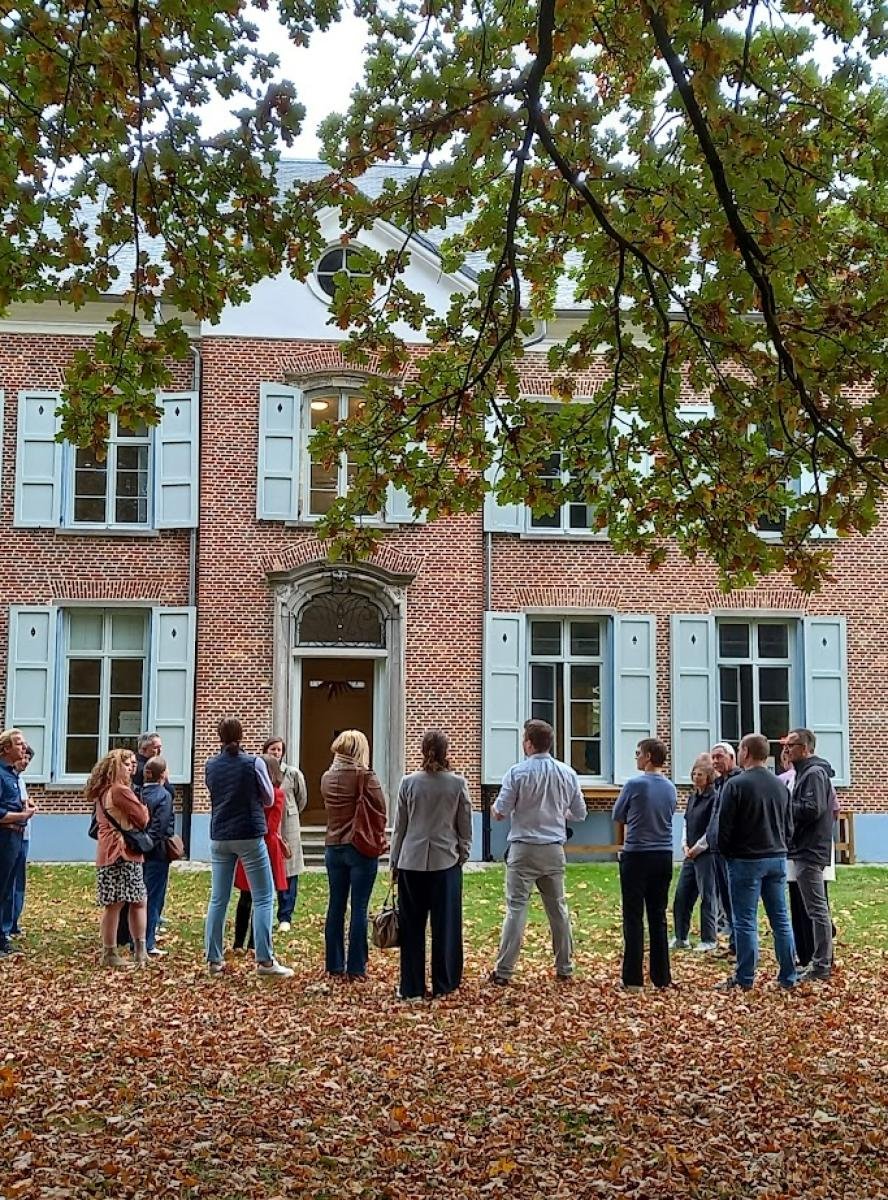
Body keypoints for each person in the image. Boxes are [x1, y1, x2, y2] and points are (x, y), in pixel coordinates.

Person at [489, 719, 587, 986]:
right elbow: (580, 813)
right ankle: (564, 966)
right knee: (558, 909)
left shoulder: (517, 773)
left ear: (529, 743)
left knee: (516, 908)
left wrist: (496, 811)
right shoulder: (567, 773)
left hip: (523, 847)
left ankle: (504, 970)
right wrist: (559, 814)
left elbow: (501, 810)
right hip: (553, 848)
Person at [204, 717, 293, 978]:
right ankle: (265, 960)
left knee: (218, 898)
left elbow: (214, 792)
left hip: (220, 833)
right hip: (249, 833)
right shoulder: (253, 763)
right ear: (241, 736)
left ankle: (214, 959)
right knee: (264, 896)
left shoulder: (211, 764)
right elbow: (268, 797)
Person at [390, 730, 472, 1001]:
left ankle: (411, 986)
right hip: (445, 861)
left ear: (422, 750)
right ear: (446, 751)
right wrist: (462, 854)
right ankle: (444, 984)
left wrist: (394, 861)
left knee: (412, 927)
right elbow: (465, 826)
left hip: (411, 861)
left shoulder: (408, 783)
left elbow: (400, 827)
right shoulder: (457, 784)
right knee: (445, 926)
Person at [715, 733, 797, 991]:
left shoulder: (736, 785)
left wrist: (726, 852)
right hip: (776, 856)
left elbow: (724, 827)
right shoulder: (780, 786)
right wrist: (781, 845)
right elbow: (789, 825)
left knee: (745, 920)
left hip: (745, 859)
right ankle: (788, 976)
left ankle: (745, 977)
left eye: (740, 749)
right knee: (781, 919)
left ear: (746, 752)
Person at [321, 729, 387, 980]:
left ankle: (334, 964)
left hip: (333, 845)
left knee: (336, 904)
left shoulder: (327, 777)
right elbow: (381, 808)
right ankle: (356, 966)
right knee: (359, 906)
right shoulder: (365, 777)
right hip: (360, 846)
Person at [612, 738, 678, 992]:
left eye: (638, 753)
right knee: (658, 916)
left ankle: (632, 979)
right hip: (663, 853)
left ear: (649, 756)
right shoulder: (670, 787)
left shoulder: (635, 784)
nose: (636, 757)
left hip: (637, 853)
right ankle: (661, 977)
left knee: (633, 916)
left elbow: (618, 814)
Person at [89, 748, 151, 968]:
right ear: (116, 766)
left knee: (118, 903)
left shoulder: (103, 791)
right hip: (121, 852)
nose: (132, 767)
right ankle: (129, 952)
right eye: (127, 763)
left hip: (109, 852)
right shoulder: (120, 791)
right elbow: (142, 818)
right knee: (132, 902)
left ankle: (117, 951)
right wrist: (144, 809)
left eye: (134, 763)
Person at [783, 729, 836, 982]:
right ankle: (819, 960)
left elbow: (813, 809)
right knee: (814, 908)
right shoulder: (806, 772)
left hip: (810, 849)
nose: (786, 749)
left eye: (791, 745)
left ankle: (821, 964)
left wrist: (785, 804)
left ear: (805, 748)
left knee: (816, 910)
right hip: (805, 847)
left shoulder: (813, 773)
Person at [232, 754, 289, 951]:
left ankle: (249, 943)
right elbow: (271, 825)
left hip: (260, 843)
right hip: (260, 843)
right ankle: (243, 943)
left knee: (253, 896)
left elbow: (272, 824)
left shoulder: (272, 794)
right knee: (254, 896)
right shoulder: (271, 794)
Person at [671, 753, 718, 953]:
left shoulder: (714, 798)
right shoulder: (692, 797)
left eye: (700, 774)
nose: (696, 778)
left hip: (706, 853)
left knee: (707, 896)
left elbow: (712, 827)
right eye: (694, 774)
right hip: (690, 854)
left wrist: (698, 847)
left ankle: (709, 938)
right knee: (682, 895)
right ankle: (681, 936)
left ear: (709, 777)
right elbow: (687, 822)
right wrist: (684, 845)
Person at [262, 737, 307, 932]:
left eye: (279, 750)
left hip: (288, 824)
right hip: (268, 826)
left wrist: (291, 812)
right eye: (272, 749)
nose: (276, 753)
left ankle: (285, 915)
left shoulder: (292, 774)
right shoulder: (260, 771)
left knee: (289, 869)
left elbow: (301, 799)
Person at [0, 730, 35, 958]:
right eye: (19, 744)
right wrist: (21, 816)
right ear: (6, 748)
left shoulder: (12, 774)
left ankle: (3, 934)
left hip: (15, 837)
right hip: (4, 836)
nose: (24, 748)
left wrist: (25, 807)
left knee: (8, 888)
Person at [709, 742, 742, 956]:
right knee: (725, 900)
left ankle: (740, 945)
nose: (715, 761)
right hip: (717, 849)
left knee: (735, 898)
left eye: (719, 757)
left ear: (732, 757)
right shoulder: (719, 783)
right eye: (713, 758)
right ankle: (733, 943)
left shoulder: (737, 781)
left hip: (731, 850)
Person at [142, 755, 176, 958]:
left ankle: (137, 938)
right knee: (154, 897)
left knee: (140, 896)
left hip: (139, 850)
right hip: (157, 853)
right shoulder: (164, 796)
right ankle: (148, 941)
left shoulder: (138, 793)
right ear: (163, 774)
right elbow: (160, 826)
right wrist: (149, 844)